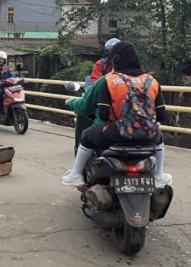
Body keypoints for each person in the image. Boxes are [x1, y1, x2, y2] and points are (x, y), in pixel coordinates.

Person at [62, 41, 172, 188]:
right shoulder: (151, 81)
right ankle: (159, 175)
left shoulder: (110, 80)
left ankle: (75, 175)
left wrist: (71, 103)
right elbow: (162, 116)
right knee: (159, 135)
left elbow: (103, 114)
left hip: (116, 134)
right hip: (148, 137)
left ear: (115, 60)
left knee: (86, 136)